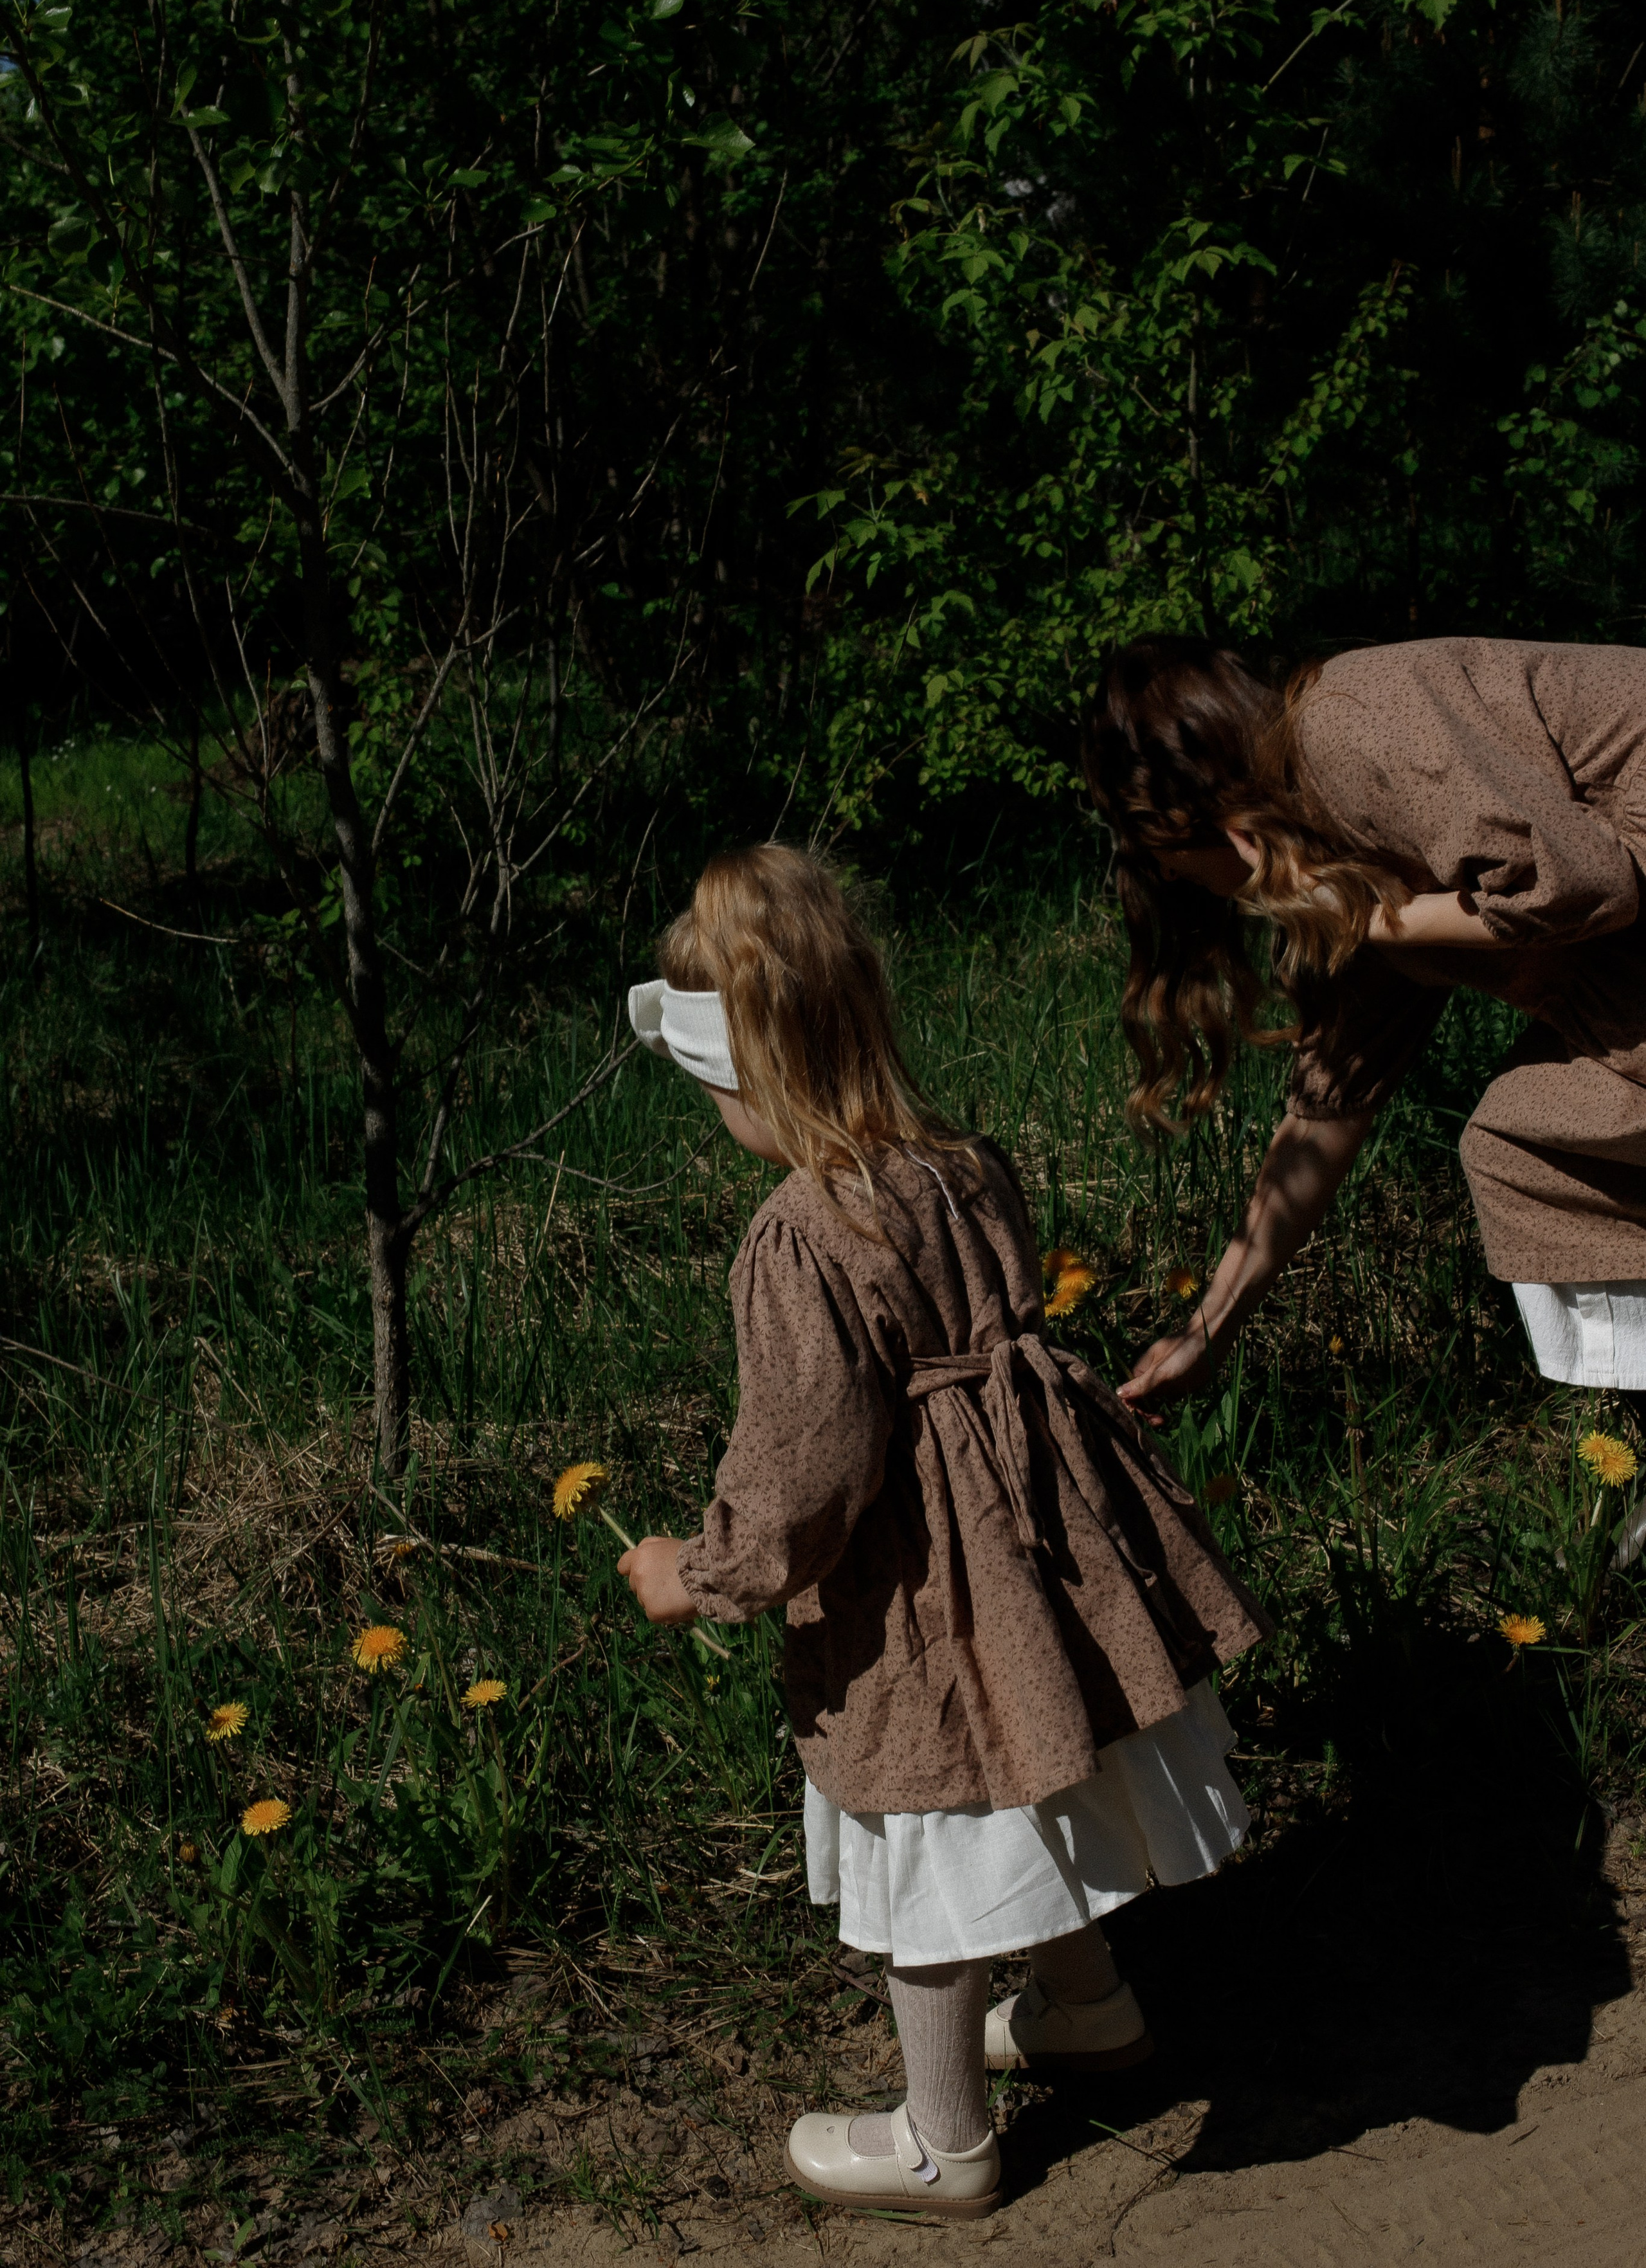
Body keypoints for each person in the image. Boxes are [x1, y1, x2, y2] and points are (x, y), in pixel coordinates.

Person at [615, 844, 1269, 2222]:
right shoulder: (958, 1165)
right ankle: (1085, 2005)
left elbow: (807, 1462)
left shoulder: (798, 1233)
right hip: (1039, 1541)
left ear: (747, 1070)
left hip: (925, 1589)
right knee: (1036, 1772)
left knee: (929, 1836)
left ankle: (942, 2139)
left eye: (710, 1093)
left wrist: (704, 1571)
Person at [1086, 637, 1646, 1465]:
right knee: (1537, 1144)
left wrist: (1367, 918)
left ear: (1190, 810)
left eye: (1166, 858)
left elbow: (1584, 880)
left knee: (1525, 1141)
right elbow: (1326, 1111)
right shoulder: (1333, 844)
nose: (1174, 883)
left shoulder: (1351, 726)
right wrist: (1210, 1326)